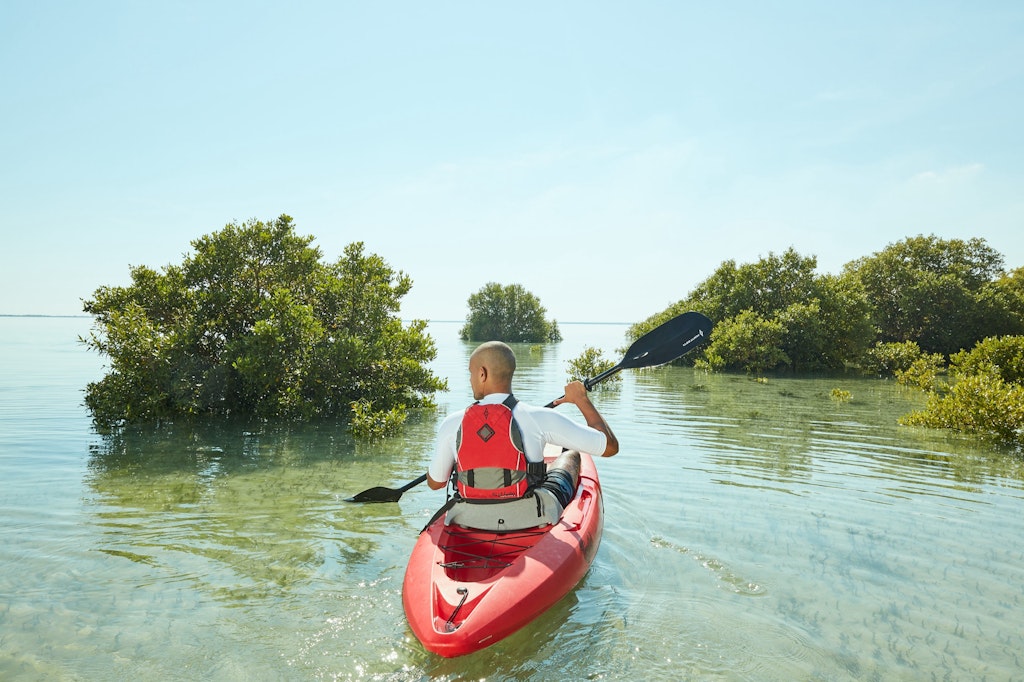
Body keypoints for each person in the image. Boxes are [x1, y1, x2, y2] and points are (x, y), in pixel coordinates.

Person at [427, 341, 618, 530]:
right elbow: (610, 447)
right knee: (571, 454)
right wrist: (580, 399)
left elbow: (436, 483)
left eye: (471, 373)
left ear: (482, 374)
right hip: (529, 515)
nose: (470, 379)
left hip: (468, 517)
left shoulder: (452, 423)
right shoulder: (540, 417)